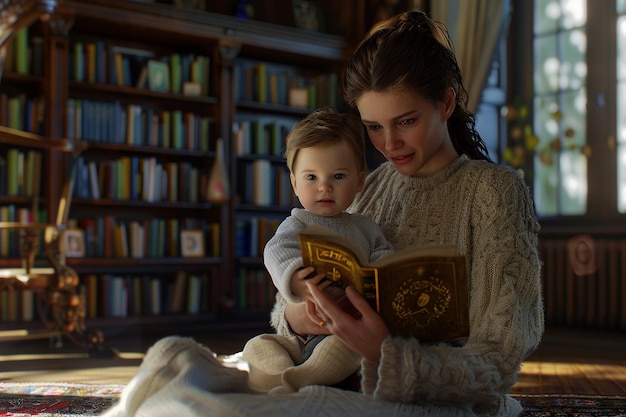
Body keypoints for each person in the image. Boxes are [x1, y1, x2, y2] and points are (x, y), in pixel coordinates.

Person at [102, 10, 543, 417]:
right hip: (329, 363)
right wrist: (301, 314)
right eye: (373, 127)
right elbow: (290, 303)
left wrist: (385, 352)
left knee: (278, 407)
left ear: (445, 104)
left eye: (406, 121)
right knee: (173, 359)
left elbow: (497, 362)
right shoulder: (366, 188)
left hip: (431, 394)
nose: (388, 144)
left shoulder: (494, 193)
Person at [242, 106, 394, 394]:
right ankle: (284, 379)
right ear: (294, 183)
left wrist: (381, 278)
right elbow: (275, 251)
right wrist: (297, 279)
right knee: (259, 345)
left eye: (338, 176)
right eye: (312, 177)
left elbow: (384, 258)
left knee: (348, 346)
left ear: (360, 181)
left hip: (346, 331)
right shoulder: (296, 224)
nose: (324, 187)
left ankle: (296, 384)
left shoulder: (366, 228)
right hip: (301, 336)